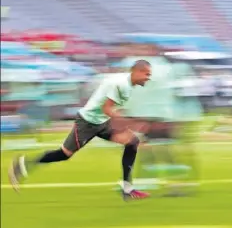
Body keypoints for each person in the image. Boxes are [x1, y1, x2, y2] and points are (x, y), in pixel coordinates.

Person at [8, 60, 153, 201]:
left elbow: (108, 106)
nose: (148, 78)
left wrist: (126, 122)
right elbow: (107, 108)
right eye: (146, 74)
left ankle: (127, 189)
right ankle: (23, 163)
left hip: (101, 122)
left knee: (132, 142)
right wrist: (129, 123)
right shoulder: (122, 84)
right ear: (137, 71)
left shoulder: (125, 82)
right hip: (87, 123)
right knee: (64, 154)